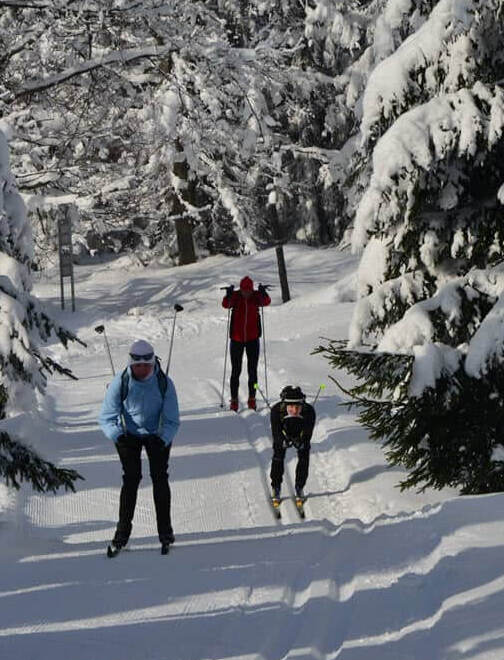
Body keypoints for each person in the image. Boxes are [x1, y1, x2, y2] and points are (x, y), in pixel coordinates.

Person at [99, 339, 180, 554]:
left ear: (153, 364)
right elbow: (106, 418)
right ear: (131, 364)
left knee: (160, 477)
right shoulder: (121, 382)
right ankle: (122, 533)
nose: (142, 370)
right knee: (132, 478)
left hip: (157, 434)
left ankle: (165, 532)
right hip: (130, 436)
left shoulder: (164, 383)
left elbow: (173, 420)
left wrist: (163, 438)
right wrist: (118, 436)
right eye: (138, 366)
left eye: (147, 366)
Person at [222, 275, 271, 411]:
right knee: (235, 371)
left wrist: (263, 292)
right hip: (236, 340)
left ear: (251, 288)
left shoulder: (256, 297)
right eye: (244, 289)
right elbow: (226, 305)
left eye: (248, 290)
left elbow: (266, 302)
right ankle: (234, 400)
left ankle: (252, 398)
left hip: (252, 340)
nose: (246, 292)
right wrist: (228, 295)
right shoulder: (236, 296)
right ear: (241, 288)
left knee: (252, 371)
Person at [270, 385, 316, 500]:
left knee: (304, 455)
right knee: (278, 455)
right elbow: (276, 432)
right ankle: (276, 486)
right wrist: (282, 441)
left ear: (302, 405)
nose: (294, 410)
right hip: (284, 433)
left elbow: (308, 432)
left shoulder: (309, 411)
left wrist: (302, 441)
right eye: (291, 406)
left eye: (297, 406)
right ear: (285, 405)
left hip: (300, 433)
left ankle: (299, 486)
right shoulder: (276, 411)